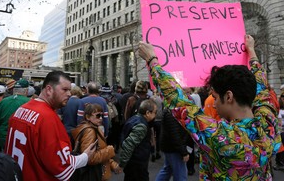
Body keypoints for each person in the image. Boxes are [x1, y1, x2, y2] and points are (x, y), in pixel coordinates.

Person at [138, 35, 281, 180]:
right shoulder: (269, 123)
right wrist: (252, 52)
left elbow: (179, 102)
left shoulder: (222, 138)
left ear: (229, 97)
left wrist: (152, 60)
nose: (214, 103)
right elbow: (262, 88)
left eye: (216, 97)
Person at [5, 71, 96, 180]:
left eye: (69, 90)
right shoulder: (47, 117)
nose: (69, 94)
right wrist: (85, 157)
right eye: (64, 90)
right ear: (49, 89)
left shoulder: (21, 109)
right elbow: (61, 166)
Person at [72, 103, 122, 181]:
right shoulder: (90, 131)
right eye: (98, 116)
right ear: (88, 117)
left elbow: (99, 151)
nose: (101, 118)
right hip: (94, 174)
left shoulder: (94, 128)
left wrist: (112, 164)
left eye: (102, 115)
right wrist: (109, 150)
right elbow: (89, 158)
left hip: (97, 172)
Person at [119, 99, 157, 181]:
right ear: (147, 113)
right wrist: (122, 164)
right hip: (137, 164)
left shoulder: (134, 118)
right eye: (154, 112)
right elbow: (128, 145)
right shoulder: (141, 126)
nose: (155, 115)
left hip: (134, 163)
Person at [155, 107, 190, 181]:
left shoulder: (172, 110)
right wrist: (183, 152)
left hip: (171, 146)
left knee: (167, 170)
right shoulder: (172, 112)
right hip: (173, 148)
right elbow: (175, 134)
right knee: (180, 174)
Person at [0, 79, 30, 151]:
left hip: (3, 138)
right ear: (26, 90)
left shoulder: (3, 101)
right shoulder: (30, 103)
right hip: (19, 141)